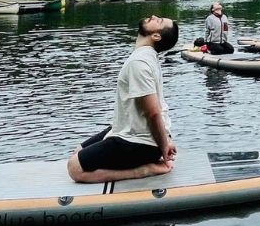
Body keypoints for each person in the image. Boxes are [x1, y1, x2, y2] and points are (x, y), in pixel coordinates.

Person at [67, 15, 180, 184]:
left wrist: (163, 147)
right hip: (132, 131)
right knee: (78, 151)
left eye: (158, 21)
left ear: (156, 36)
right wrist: (166, 138)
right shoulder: (146, 57)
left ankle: (141, 170)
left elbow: (154, 113)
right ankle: (141, 154)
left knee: (75, 168)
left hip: (140, 142)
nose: (154, 16)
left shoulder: (139, 62)